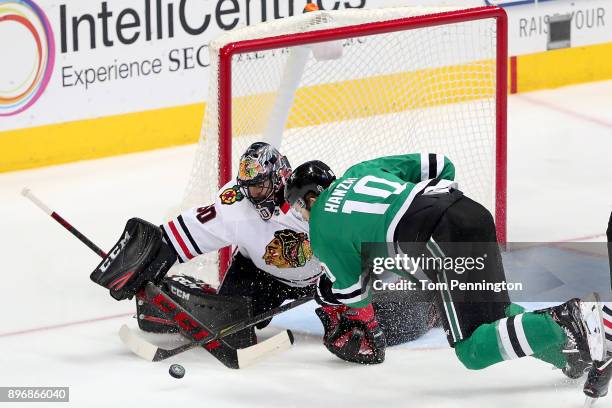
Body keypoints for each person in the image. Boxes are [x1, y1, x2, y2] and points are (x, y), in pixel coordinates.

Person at [283, 154, 611, 398]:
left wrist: (351, 301)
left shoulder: (320, 228)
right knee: (495, 314)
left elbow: (356, 296)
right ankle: (565, 350)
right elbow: (440, 163)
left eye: (299, 207)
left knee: (471, 350)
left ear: (311, 197)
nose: (301, 214)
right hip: (469, 212)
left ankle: (570, 317)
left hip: (438, 239)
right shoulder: (360, 172)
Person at [91, 142, 438, 355]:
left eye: (258, 187)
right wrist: (146, 259)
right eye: (247, 187)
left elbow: (359, 236)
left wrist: (360, 277)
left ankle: (435, 309)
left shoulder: (312, 197)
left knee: (394, 328)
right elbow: (181, 236)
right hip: (261, 274)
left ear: (278, 177)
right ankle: (175, 300)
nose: (251, 195)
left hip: (328, 275)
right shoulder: (234, 202)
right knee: (228, 324)